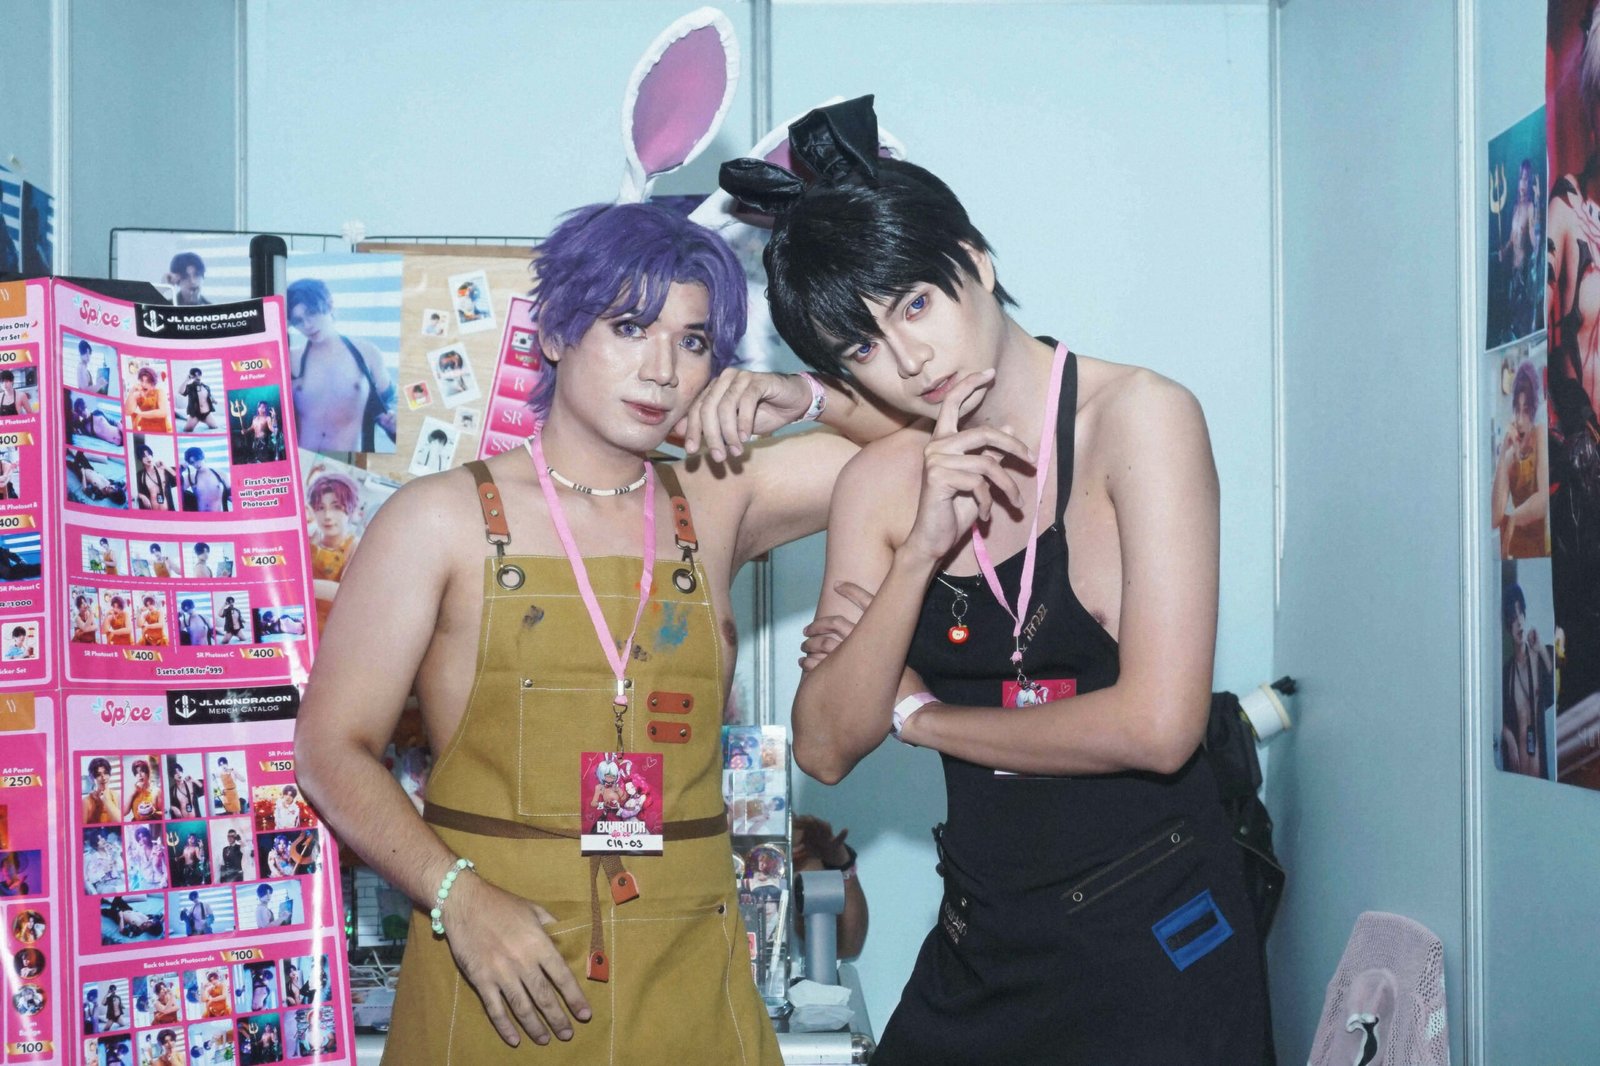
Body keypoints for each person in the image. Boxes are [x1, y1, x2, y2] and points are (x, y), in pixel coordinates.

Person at [723, 96, 1269, 1062]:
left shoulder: (1140, 420)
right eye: (861, 348)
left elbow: (1157, 727)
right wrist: (916, 554)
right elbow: (825, 744)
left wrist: (925, 717)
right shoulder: (885, 482)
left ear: (974, 262)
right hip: (984, 942)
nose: (909, 361)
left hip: (1157, 935)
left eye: (915, 305)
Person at [294, 199, 901, 1061]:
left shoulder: (722, 497)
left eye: (692, 341)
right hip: (506, 970)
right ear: (555, 333)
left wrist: (807, 393)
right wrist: (458, 898)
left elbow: (931, 450)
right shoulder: (438, 520)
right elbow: (329, 750)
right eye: (628, 327)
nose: (661, 369)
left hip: (692, 969)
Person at [288, 278, 398, 452]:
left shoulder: (367, 353)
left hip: (348, 462)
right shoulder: (290, 360)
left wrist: (392, 422)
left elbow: (389, 406)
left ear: (329, 305)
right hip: (303, 460)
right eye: (298, 320)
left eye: (312, 313)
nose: (307, 325)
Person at [1492, 360, 1549, 558]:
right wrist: (1503, 454)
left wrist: (1513, 519)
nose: (1520, 419)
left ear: (1534, 411)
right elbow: (1494, 517)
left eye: (1526, 410)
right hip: (1515, 553)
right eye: (1517, 409)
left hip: (1541, 551)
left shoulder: (1540, 434)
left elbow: (1543, 500)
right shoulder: (1511, 454)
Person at [1502, 582, 1554, 777]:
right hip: (1518, 770)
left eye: (1521, 614)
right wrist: (1508, 736)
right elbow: (1495, 716)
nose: (1519, 622)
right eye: (1513, 617)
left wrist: (1541, 649)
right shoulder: (1507, 673)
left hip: (1540, 767)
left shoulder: (1540, 656)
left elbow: (1554, 694)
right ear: (1508, 626)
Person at [125, 366, 173, 433]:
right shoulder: (138, 395)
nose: (143, 384)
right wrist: (132, 391)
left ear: (153, 383)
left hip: (163, 429)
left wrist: (141, 414)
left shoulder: (159, 392)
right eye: (142, 381)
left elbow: (164, 412)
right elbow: (127, 412)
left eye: (147, 381)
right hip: (146, 429)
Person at [183, 446, 230, 512]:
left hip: (218, 515)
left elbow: (232, 496)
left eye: (197, 460)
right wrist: (181, 468)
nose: (196, 464)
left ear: (202, 456)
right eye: (192, 462)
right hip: (200, 516)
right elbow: (177, 490)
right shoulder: (191, 477)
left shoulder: (221, 475)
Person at [133, 443, 177, 512]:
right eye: (144, 456)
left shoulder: (163, 469)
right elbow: (134, 491)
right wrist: (141, 496)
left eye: (149, 454)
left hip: (168, 511)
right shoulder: (140, 475)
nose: (148, 458)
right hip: (151, 512)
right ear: (140, 459)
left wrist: (166, 467)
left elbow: (179, 481)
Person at [179, 366, 222, 430]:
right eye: (195, 375)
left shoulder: (206, 387)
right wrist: (186, 380)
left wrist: (213, 400)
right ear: (192, 377)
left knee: (215, 427)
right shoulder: (190, 387)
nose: (197, 377)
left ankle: (204, 420)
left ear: (201, 375)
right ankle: (196, 420)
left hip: (206, 413)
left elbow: (209, 396)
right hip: (195, 414)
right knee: (187, 430)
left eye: (199, 375)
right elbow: (181, 392)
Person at [83, 756, 121, 823]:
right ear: (92, 778)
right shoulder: (86, 801)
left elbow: (120, 822)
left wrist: (107, 800)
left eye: (106, 773)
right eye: (98, 774)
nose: (103, 777)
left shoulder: (116, 796)